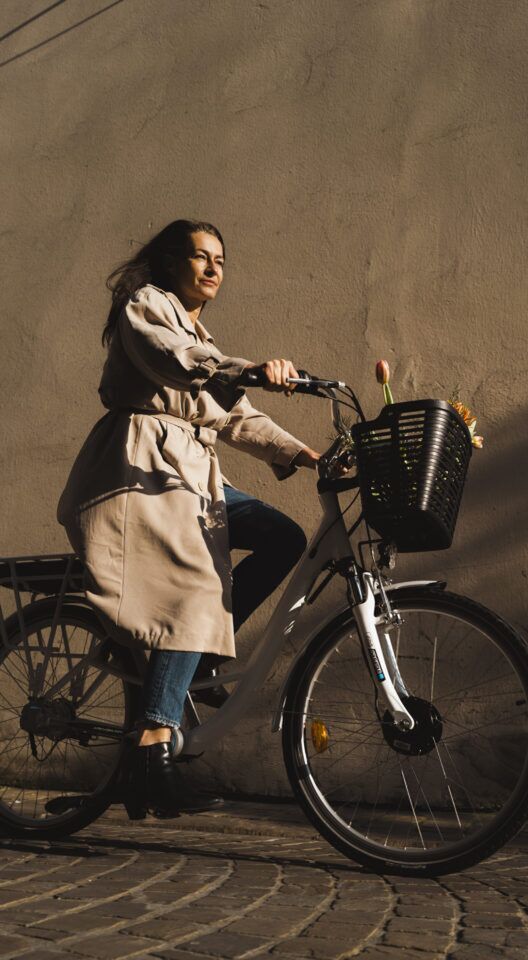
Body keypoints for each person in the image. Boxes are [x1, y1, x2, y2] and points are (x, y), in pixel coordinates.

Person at [57, 219, 321, 819]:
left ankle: (199, 659)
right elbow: (174, 361)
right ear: (173, 262)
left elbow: (235, 418)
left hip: (192, 475)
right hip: (140, 468)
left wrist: (307, 455)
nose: (212, 269)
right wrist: (246, 367)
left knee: (283, 536)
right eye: (201, 257)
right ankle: (152, 752)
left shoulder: (202, 335)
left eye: (221, 261)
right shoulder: (146, 306)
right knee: (198, 586)